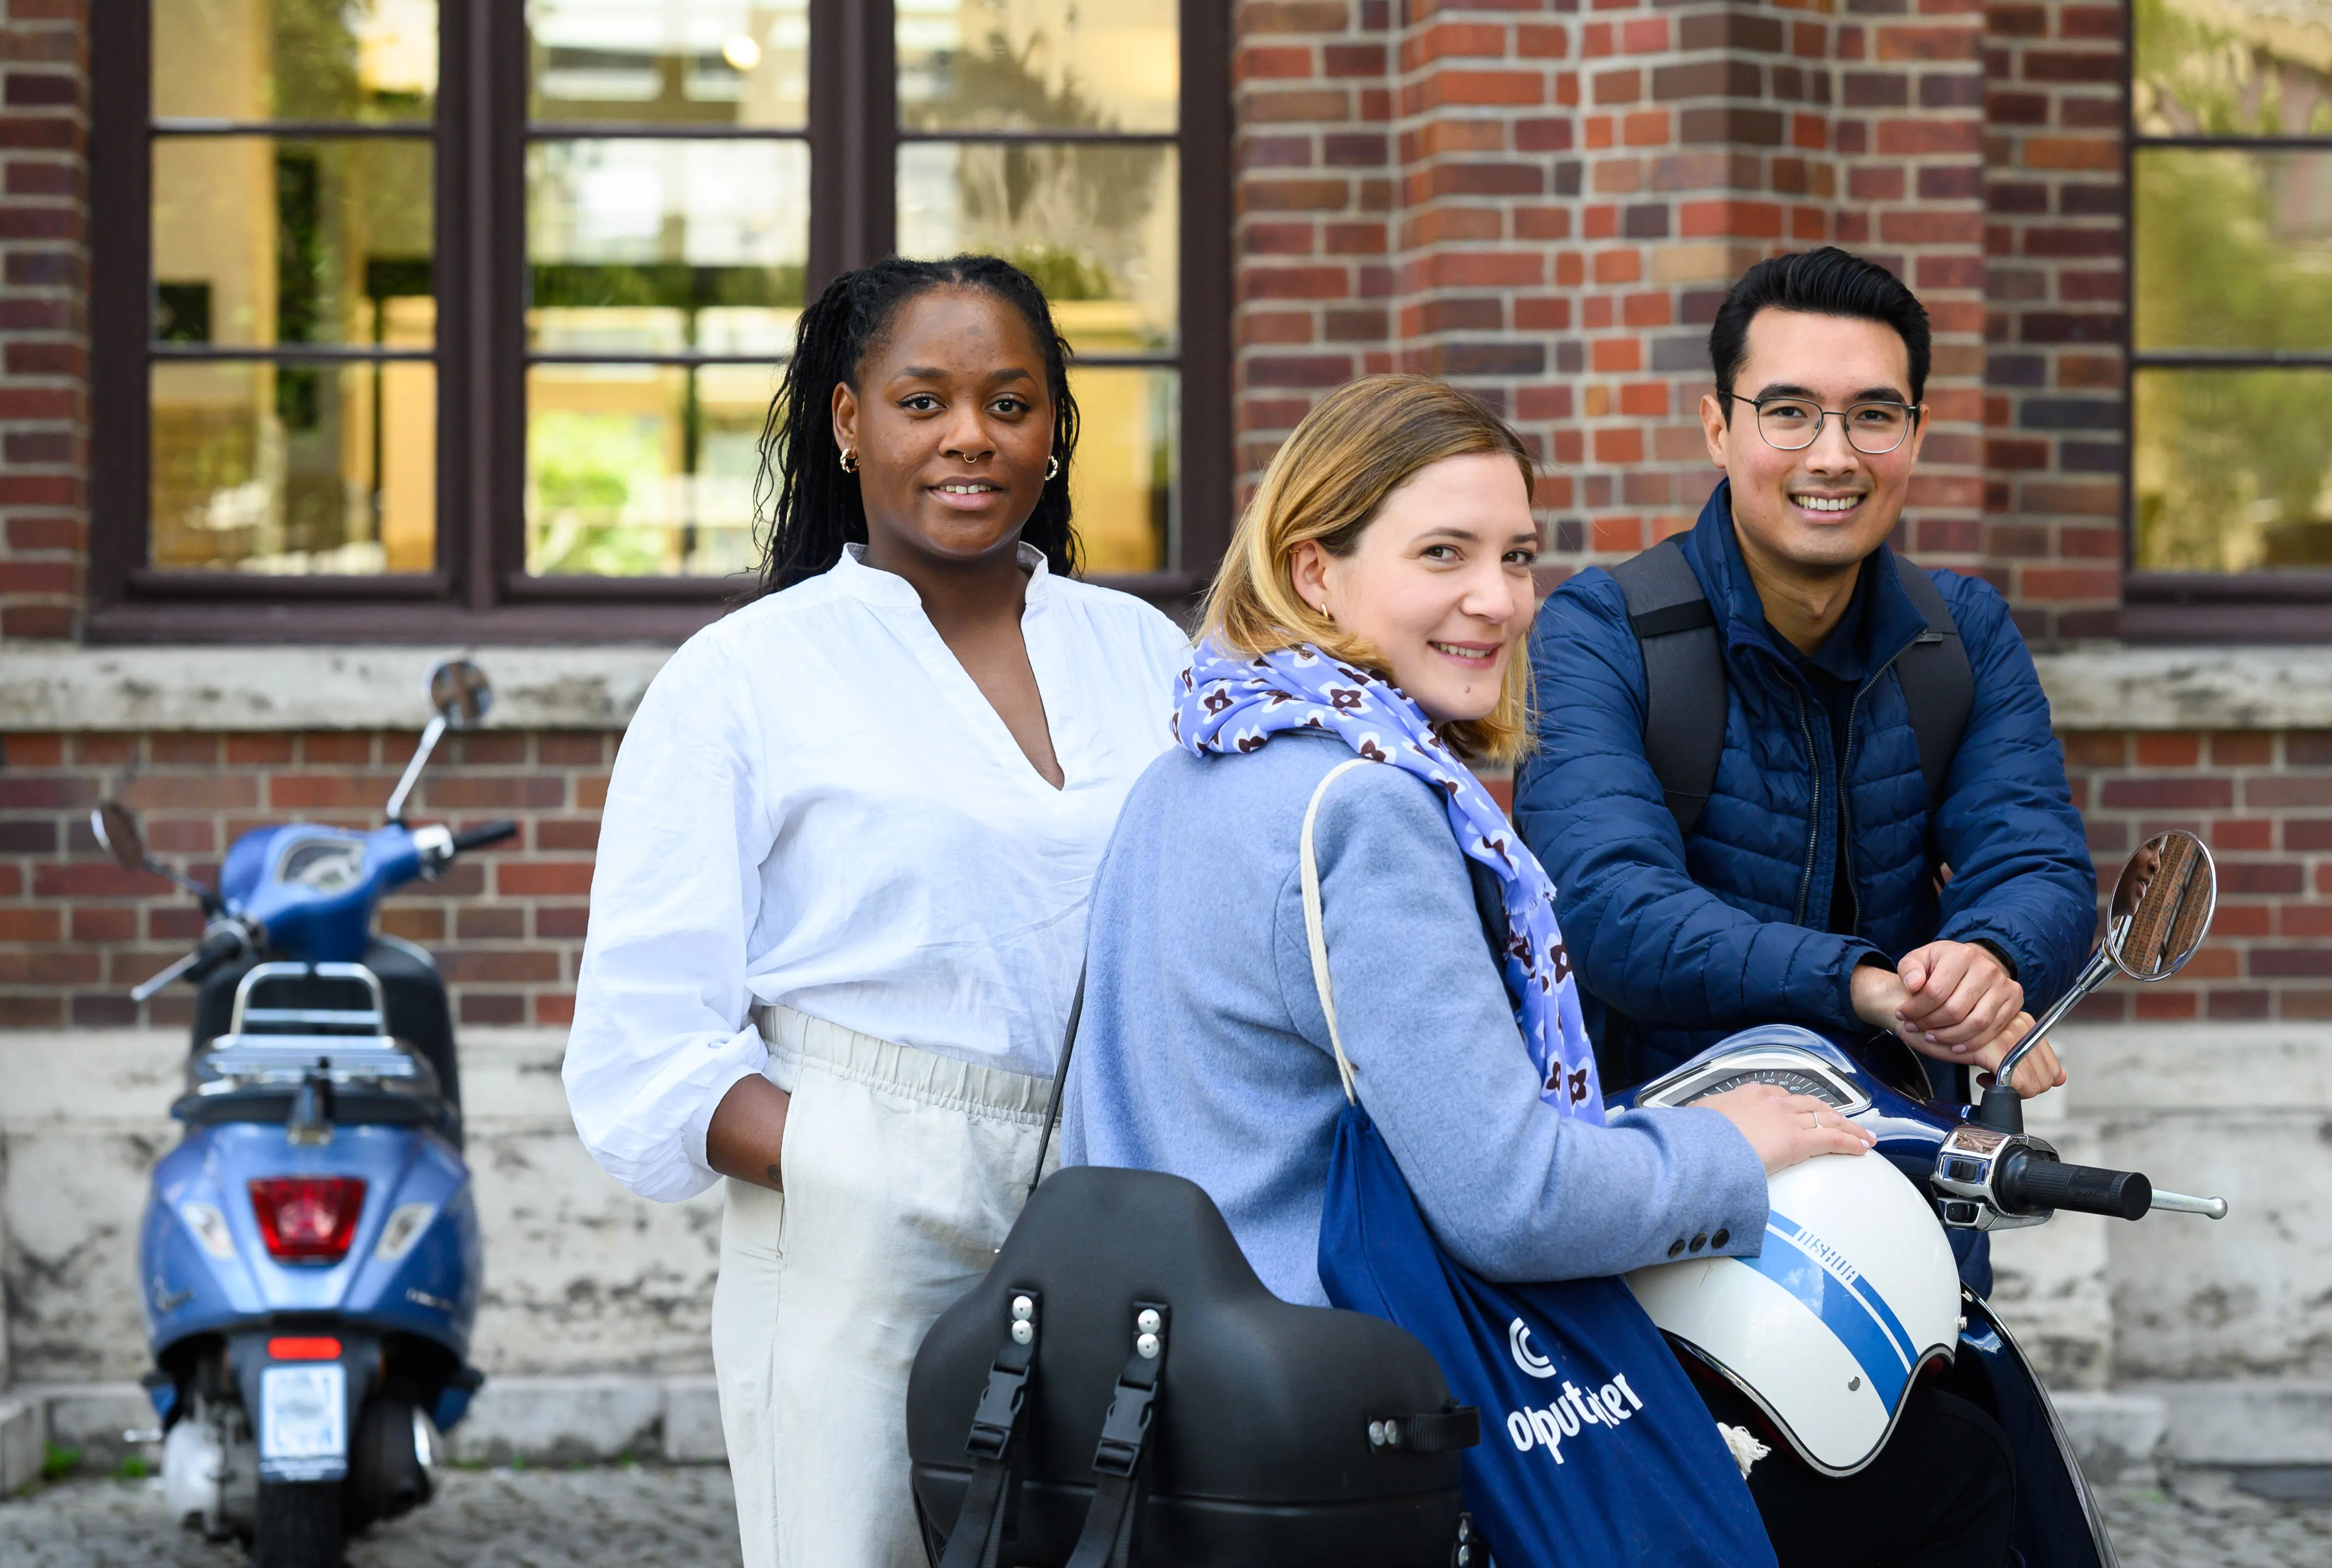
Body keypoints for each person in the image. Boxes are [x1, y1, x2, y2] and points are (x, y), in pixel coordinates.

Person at [562, 255, 1186, 1568]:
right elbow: (644, 1040)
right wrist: (849, 1165)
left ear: (1057, 431)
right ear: (849, 423)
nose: (972, 436)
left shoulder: (1143, 653)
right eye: (924, 401)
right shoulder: (745, 679)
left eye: (1012, 403)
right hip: (859, 1184)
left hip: (1113, 1186)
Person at [1513, 246, 2093, 1563]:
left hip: (1898, 1211)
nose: (1833, 452)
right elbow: (1609, 907)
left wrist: (1982, 966)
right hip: (1658, 1221)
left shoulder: (1964, 637)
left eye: (1873, 414)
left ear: (1916, 433)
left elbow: (2039, 862)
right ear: (1719, 425)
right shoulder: (1601, 633)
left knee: (1967, 1512)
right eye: (1790, 412)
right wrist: (1867, 983)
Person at [1063, 370, 1866, 1313]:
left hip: (1160, 1371)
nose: (1501, 602)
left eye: (1517, 557)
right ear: (1313, 573)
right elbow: (1515, 1202)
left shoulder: (1193, 765)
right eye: (1445, 554)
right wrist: (1726, 1146)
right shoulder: (1367, 809)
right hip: (1334, 1394)